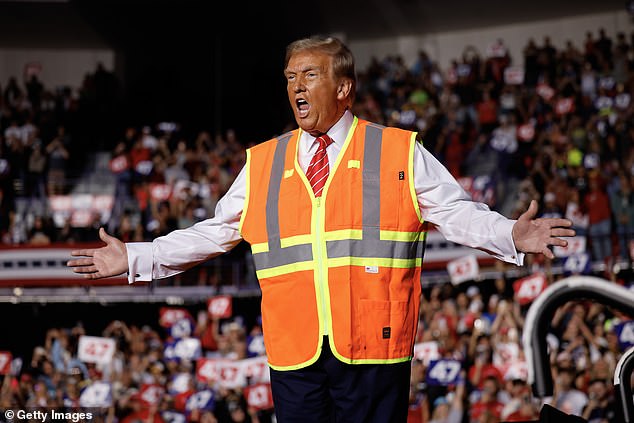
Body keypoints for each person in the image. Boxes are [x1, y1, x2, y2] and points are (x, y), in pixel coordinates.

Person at [68, 35, 575, 422]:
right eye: (289, 77)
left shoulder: (396, 150)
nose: (295, 87)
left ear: (343, 87)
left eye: (308, 75)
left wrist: (511, 234)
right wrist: (134, 257)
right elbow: (211, 232)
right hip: (294, 355)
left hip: (374, 349)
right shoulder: (264, 162)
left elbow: (456, 212)